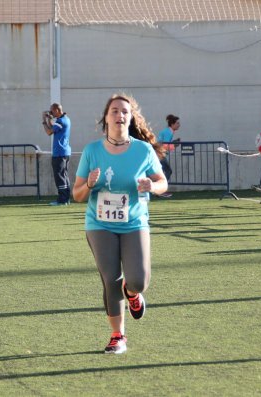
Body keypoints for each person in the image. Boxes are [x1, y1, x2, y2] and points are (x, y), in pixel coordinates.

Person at [72, 94, 167, 354]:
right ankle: (118, 336)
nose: (119, 115)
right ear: (106, 117)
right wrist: (90, 184)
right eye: (114, 111)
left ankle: (132, 291)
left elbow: (163, 182)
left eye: (124, 111)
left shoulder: (143, 150)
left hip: (134, 221)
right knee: (110, 279)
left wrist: (152, 186)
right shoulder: (92, 151)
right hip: (99, 224)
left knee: (138, 280)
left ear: (131, 117)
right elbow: (77, 194)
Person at [42, 103, 72, 205]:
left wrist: (43, 121)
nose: (51, 113)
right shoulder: (65, 119)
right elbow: (54, 129)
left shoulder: (60, 121)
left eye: (52, 111)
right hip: (65, 152)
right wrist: (49, 120)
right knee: (64, 175)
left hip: (59, 153)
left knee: (59, 176)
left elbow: (49, 132)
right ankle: (66, 199)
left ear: (57, 110)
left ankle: (63, 200)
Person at [156, 114, 180, 198]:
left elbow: (165, 143)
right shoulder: (168, 132)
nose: (179, 125)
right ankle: (161, 190)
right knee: (168, 171)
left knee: (162, 172)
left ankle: (159, 190)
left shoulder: (168, 131)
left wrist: (173, 143)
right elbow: (165, 145)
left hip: (158, 153)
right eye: (177, 123)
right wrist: (174, 145)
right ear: (172, 124)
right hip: (159, 154)